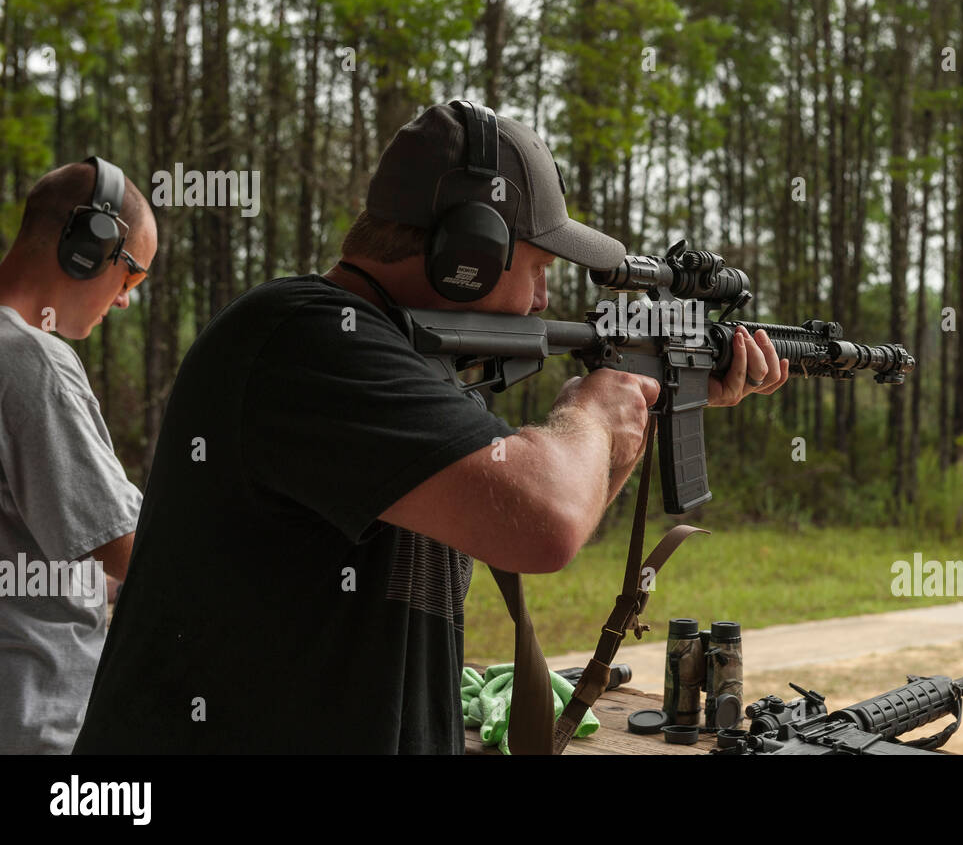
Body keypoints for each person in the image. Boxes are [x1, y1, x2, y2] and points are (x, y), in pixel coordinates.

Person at [74, 101, 788, 754]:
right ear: (467, 254)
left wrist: (641, 399)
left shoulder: (407, 372)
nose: (544, 296)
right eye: (538, 266)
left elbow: (541, 512)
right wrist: (593, 407)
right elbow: (545, 520)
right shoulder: (305, 339)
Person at [0, 157, 155, 753]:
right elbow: (129, 548)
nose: (123, 301)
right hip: (38, 723)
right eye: (132, 276)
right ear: (89, 248)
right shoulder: (32, 361)